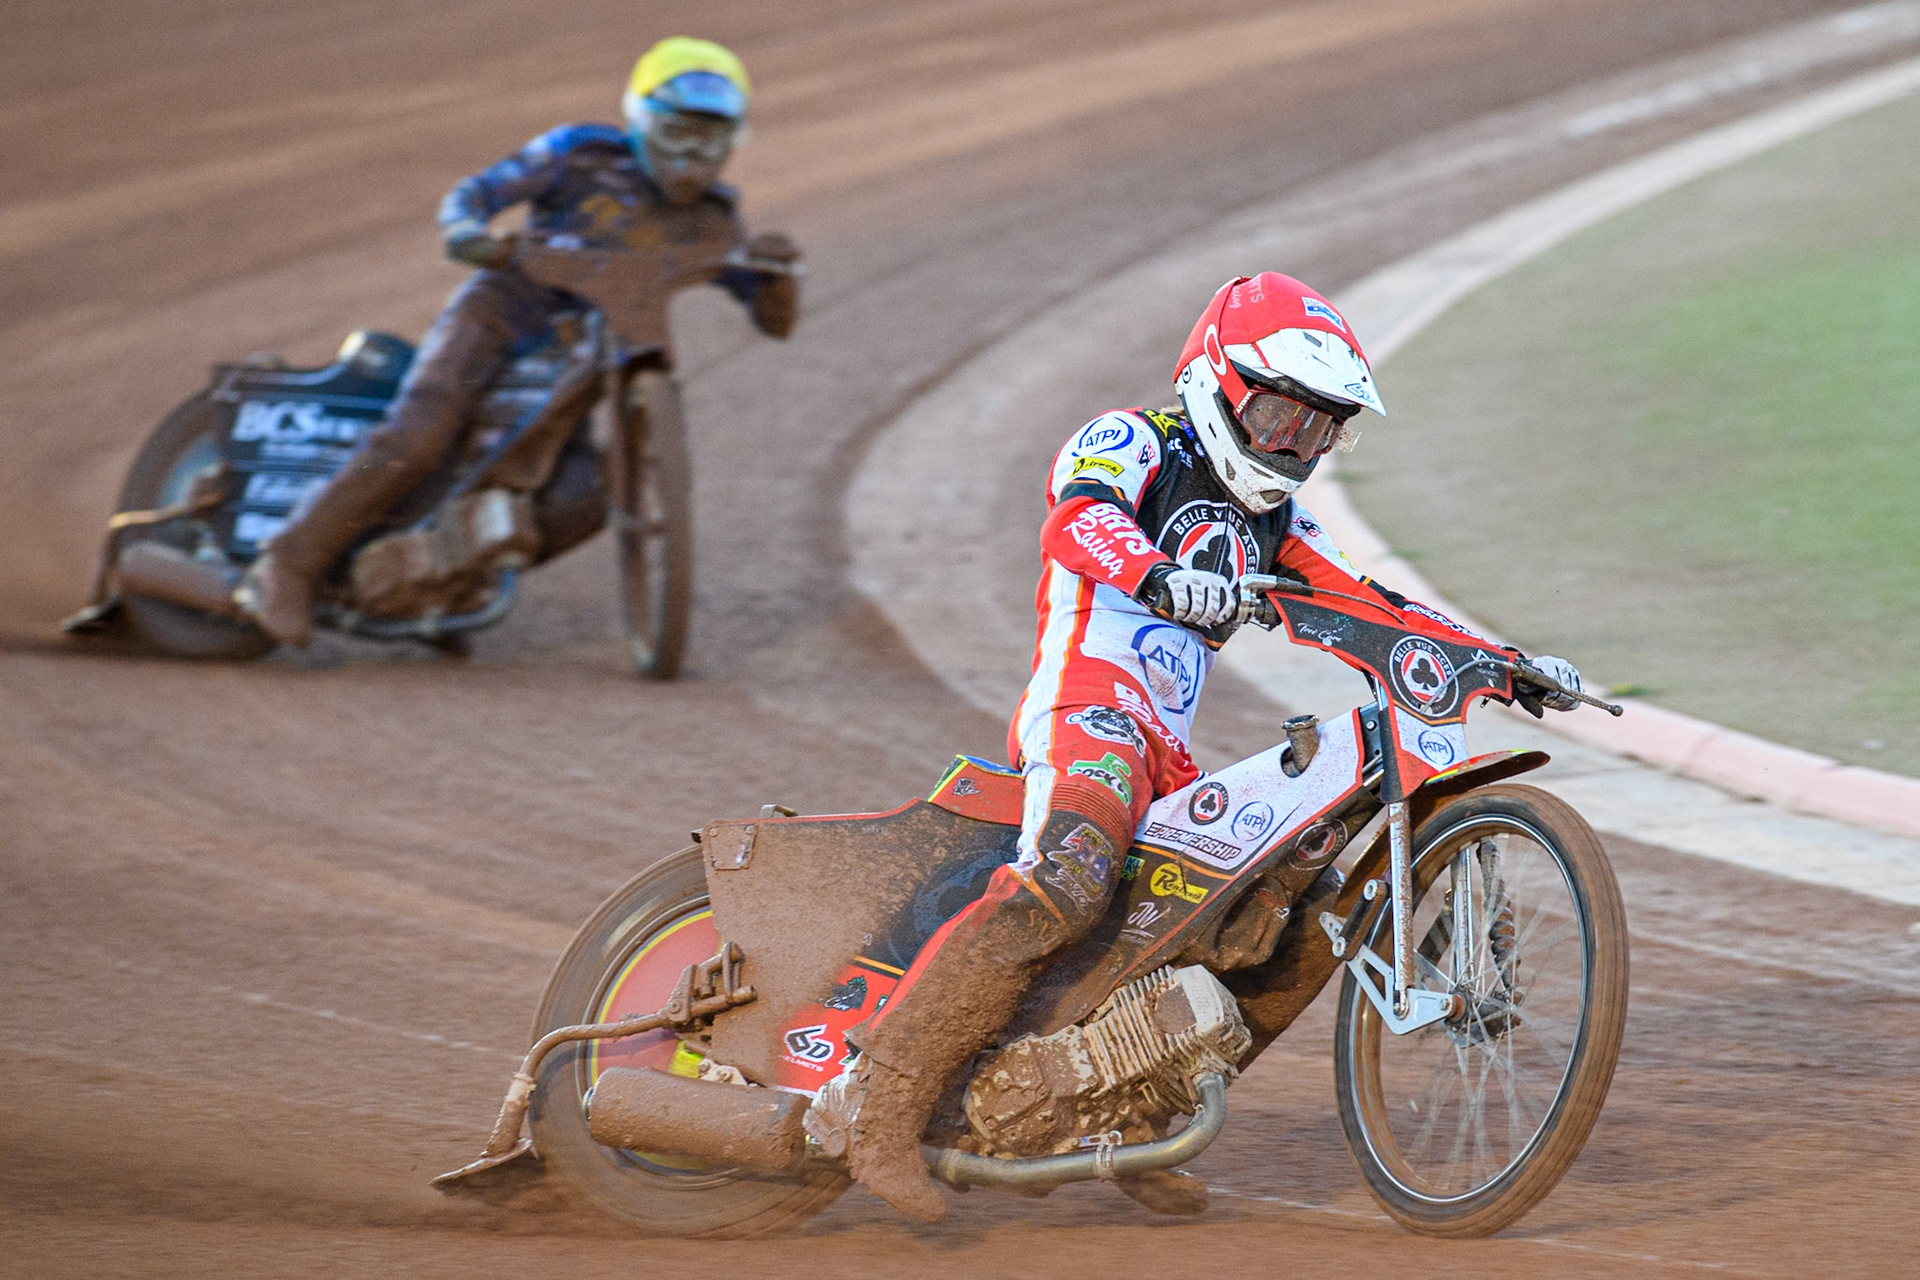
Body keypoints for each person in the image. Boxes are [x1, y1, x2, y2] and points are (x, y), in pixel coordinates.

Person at [840, 272, 1585, 1222]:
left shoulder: (1278, 521)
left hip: (1171, 751)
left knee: (1306, 920)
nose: (1292, 445)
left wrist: (1503, 661)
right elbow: (1076, 517)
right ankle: (881, 1102)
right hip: (1089, 711)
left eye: (1319, 428)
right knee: (1069, 875)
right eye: (1278, 414)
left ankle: (1135, 1116)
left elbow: (1368, 605)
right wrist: (1156, 576)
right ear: (1218, 379)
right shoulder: (1134, 439)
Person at [240, 36, 800, 646]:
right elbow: (476, 192)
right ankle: (287, 565)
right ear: (640, 121)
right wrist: (465, 229)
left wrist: (778, 281)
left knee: (591, 494)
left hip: (581, 366)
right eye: (678, 133)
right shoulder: (576, 154)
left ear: (733, 142)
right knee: (424, 429)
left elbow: (773, 320)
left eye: (711, 139)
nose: (692, 156)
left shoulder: (715, 218)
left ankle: (445, 579)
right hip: (499, 316)